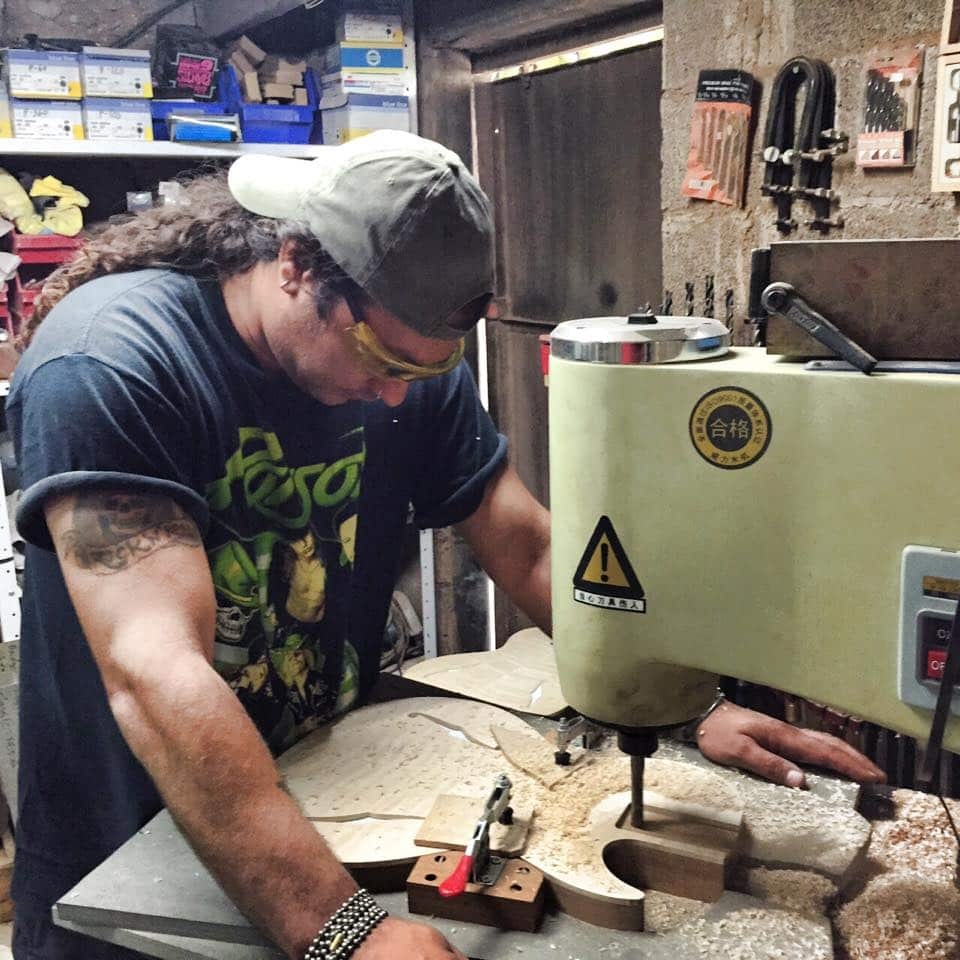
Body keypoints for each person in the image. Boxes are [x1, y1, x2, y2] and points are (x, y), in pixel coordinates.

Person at [7, 130, 884, 960]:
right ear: (296, 263)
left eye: (425, 370)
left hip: (312, 818)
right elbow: (159, 677)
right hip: (133, 859)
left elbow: (531, 550)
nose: (396, 400)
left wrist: (681, 703)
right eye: (381, 360)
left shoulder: (408, 363)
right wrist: (339, 929)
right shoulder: (116, 365)